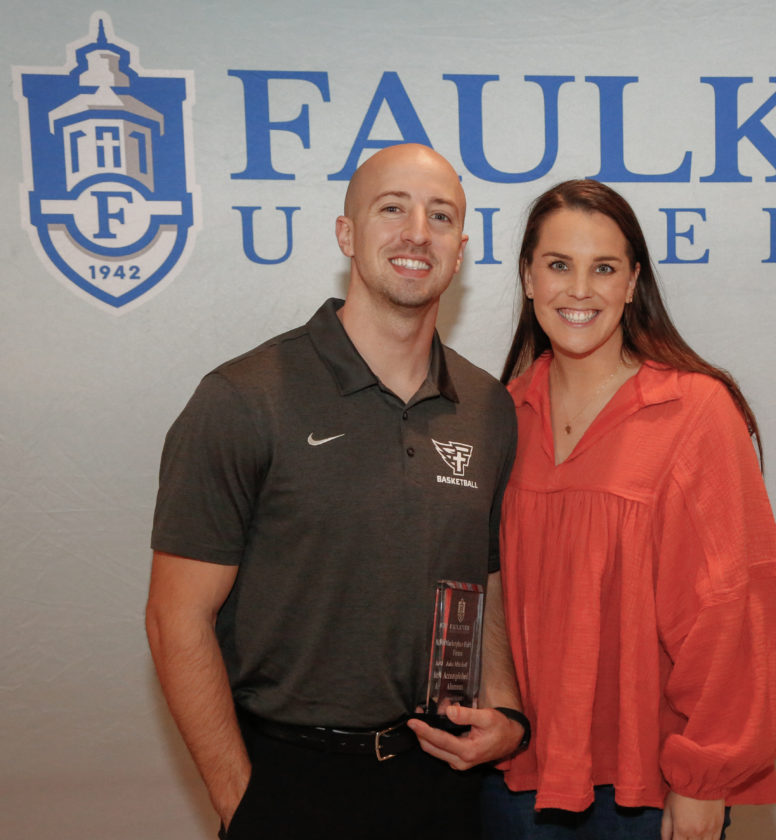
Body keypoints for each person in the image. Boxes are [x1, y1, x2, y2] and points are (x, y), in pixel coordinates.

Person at [145, 143, 528, 840]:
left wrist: (502, 708)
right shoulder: (242, 398)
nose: (418, 232)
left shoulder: (487, 406)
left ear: (462, 248)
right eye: (392, 209)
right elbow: (177, 621)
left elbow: (487, 572)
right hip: (291, 780)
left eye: (440, 216)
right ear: (346, 234)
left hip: (440, 781)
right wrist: (243, 802)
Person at [484, 179, 776, 840]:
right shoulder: (498, 417)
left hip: (648, 789)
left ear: (632, 284)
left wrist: (704, 779)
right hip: (515, 777)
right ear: (528, 278)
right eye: (558, 265)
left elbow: (733, 605)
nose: (579, 290)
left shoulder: (694, 411)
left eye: (604, 268)